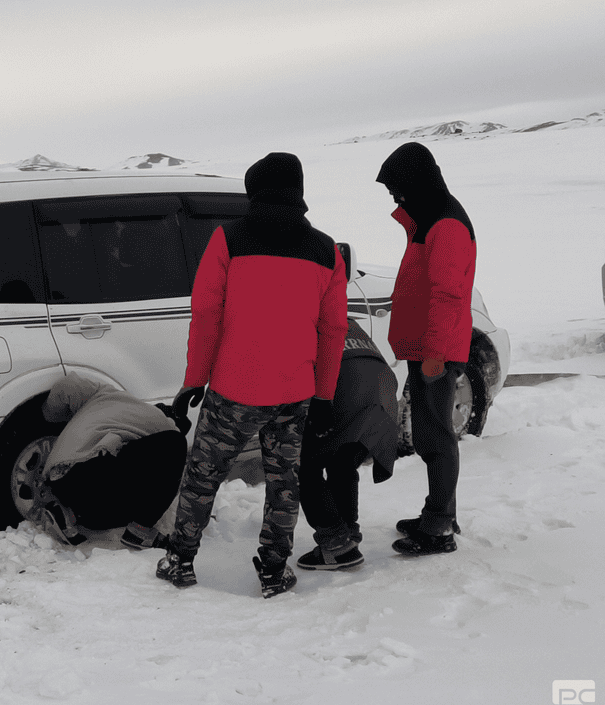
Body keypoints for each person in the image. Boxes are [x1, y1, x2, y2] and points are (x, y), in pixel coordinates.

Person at [158, 152, 349, 598]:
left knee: (203, 475)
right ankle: (274, 571)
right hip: (295, 392)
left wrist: (194, 380)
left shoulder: (228, 238)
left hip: (234, 390)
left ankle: (180, 560)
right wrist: (323, 397)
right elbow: (334, 329)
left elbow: (206, 315)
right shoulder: (326, 250)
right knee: (285, 483)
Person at [375, 142, 476, 555]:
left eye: (398, 188)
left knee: (436, 439)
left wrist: (434, 354)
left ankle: (437, 528)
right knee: (431, 435)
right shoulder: (431, 219)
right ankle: (439, 513)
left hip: (438, 351)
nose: (397, 198)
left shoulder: (446, 225)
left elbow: (448, 296)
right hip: (428, 348)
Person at [32, 373, 188, 547]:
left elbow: (67, 384)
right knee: (176, 443)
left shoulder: (104, 393)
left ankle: (69, 513)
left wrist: (49, 419)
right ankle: (139, 531)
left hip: (60, 482)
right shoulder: (165, 424)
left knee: (119, 458)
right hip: (94, 482)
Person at [296, 318, 400, 570]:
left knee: (304, 465)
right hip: (383, 388)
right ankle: (348, 534)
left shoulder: (299, 319)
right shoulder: (344, 317)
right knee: (342, 461)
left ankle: (335, 543)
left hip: (345, 387)